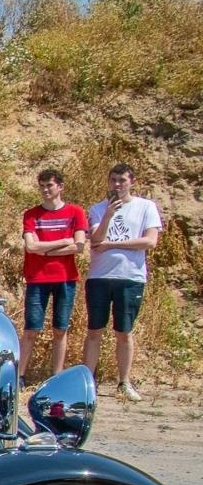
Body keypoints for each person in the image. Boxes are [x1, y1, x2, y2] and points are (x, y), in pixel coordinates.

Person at [82, 163, 162, 401]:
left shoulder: (146, 207)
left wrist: (113, 245)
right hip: (99, 277)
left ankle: (124, 382)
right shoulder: (97, 209)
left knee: (124, 332)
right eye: (113, 180)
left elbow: (150, 241)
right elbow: (95, 240)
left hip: (130, 277)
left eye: (122, 180)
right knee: (94, 330)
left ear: (132, 182)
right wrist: (108, 214)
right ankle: (89, 382)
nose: (117, 185)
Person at [20, 169, 88, 380]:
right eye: (42, 186)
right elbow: (31, 246)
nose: (45, 190)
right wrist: (61, 242)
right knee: (31, 329)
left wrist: (44, 249)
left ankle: (56, 376)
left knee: (60, 329)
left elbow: (78, 246)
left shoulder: (75, 212)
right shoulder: (31, 214)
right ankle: (19, 375)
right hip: (37, 277)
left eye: (49, 185)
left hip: (65, 277)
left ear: (60, 186)